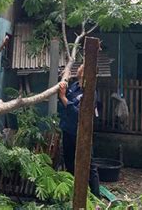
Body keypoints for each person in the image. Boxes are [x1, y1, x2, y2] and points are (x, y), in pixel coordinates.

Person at [58, 64, 100, 197]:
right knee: (69, 162)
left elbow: (80, 114)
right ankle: (73, 194)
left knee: (89, 165)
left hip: (82, 133)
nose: (79, 70)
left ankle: (95, 196)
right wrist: (63, 93)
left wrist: (64, 98)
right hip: (68, 130)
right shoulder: (75, 86)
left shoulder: (90, 92)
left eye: (82, 69)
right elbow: (63, 104)